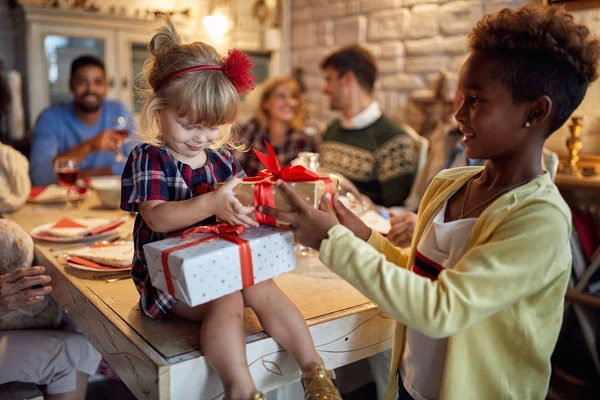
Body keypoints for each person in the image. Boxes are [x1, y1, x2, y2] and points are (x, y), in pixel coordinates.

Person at [260, 5, 598, 399]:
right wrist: (363, 235)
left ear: (535, 111)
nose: (458, 115)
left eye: (476, 101)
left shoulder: (539, 219)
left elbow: (442, 310)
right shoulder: (450, 185)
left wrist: (333, 242)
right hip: (411, 385)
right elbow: (420, 275)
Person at [120, 18, 341, 400]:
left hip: (222, 258)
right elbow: (156, 216)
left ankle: (315, 369)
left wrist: (255, 213)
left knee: (262, 285)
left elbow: (239, 206)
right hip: (169, 278)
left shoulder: (222, 159)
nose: (201, 138)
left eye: (212, 127)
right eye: (189, 124)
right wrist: (211, 203)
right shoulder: (150, 158)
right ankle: (241, 389)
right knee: (229, 296)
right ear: (158, 111)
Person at [318, 45, 417, 208]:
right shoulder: (332, 130)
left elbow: (398, 212)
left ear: (348, 80)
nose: (324, 89)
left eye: (329, 79)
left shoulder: (394, 141)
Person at [29, 55, 134, 186]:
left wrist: (81, 176)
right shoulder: (50, 118)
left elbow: (139, 165)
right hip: (67, 201)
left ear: (106, 87)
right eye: (82, 82)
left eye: (98, 82)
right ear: (71, 85)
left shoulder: (119, 111)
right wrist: (89, 146)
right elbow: (39, 176)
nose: (90, 89)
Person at [236, 76, 316, 177]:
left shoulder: (303, 140)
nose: (289, 102)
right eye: (281, 96)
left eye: (293, 97)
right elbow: (234, 166)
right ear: (266, 102)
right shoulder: (252, 130)